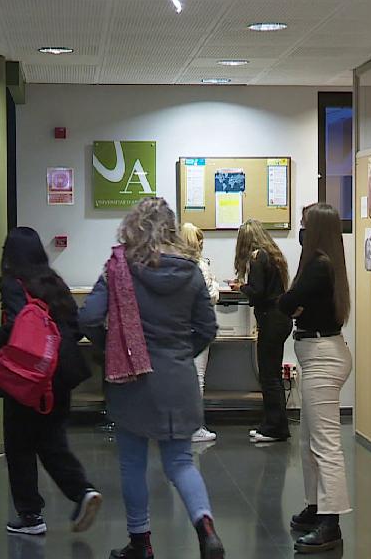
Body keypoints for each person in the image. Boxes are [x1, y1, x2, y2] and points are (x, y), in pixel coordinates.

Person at [79, 198, 224, 559]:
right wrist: (179, 356)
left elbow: (89, 317)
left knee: (132, 463)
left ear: (133, 227)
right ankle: (206, 528)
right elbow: (207, 327)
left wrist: (112, 347)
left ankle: (140, 543)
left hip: (131, 381)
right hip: (179, 381)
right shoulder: (191, 271)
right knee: (180, 462)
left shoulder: (119, 267)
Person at [0, 227, 103, 536]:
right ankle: (82, 491)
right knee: (51, 440)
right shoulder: (55, 281)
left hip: (29, 378)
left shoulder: (14, 283)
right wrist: (54, 345)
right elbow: (77, 326)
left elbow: (15, 328)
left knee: (19, 445)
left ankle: (30, 516)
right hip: (62, 374)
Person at [278, 203, 353, 554]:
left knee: (325, 445)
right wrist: (295, 305)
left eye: (304, 224)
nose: (300, 230)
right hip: (319, 354)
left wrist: (294, 305)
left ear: (316, 229)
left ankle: (332, 522)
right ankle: (316, 505)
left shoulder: (319, 266)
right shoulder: (323, 264)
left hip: (323, 357)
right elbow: (292, 303)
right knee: (309, 439)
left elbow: (286, 302)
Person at [231, 219, 293, 444]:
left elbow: (257, 293)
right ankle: (276, 425)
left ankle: (273, 428)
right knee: (273, 375)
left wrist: (240, 287)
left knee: (268, 376)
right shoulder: (272, 255)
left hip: (270, 320)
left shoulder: (257, 258)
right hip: (281, 318)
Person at [180, 222, 221, 443]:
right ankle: (195, 427)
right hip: (197, 328)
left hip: (180, 328)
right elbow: (210, 295)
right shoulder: (199, 266)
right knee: (198, 378)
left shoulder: (175, 265)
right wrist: (214, 284)